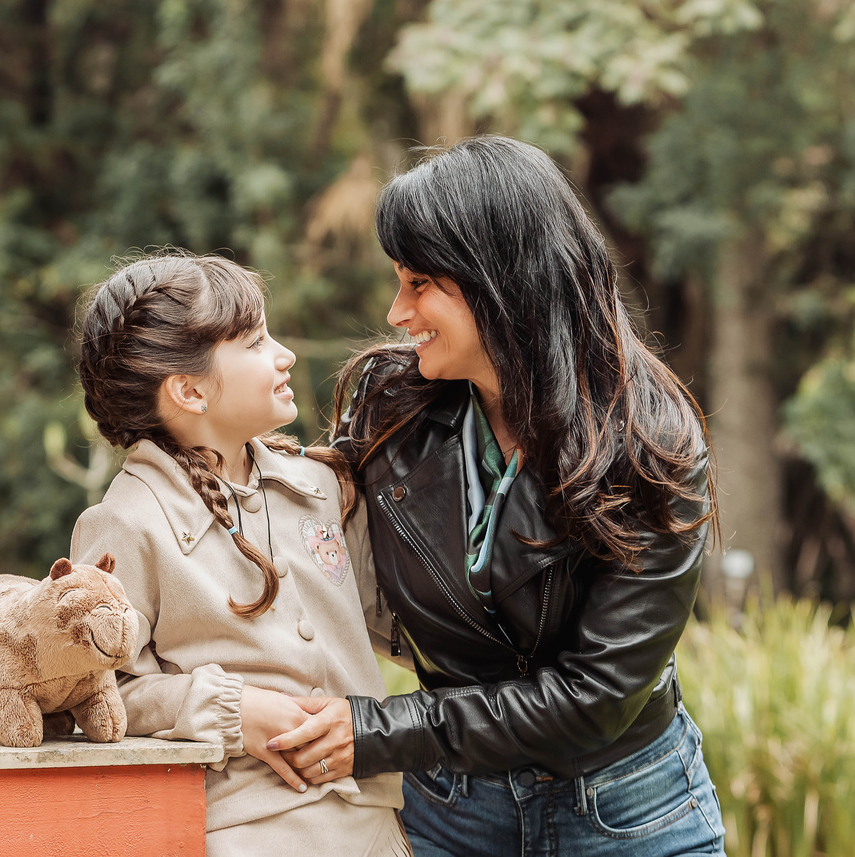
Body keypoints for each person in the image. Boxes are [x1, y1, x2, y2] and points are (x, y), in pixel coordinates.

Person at [266, 136, 728, 856]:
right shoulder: (392, 405)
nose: (396, 311)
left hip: (624, 811)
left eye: (419, 283)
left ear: (503, 281)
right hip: (449, 806)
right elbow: (285, 521)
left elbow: (597, 695)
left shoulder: (650, 442)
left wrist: (376, 731)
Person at [69, 251, 410, 856]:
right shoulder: (124, 523)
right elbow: (95, 692)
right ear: (190, 391)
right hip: (245, 833)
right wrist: (231, 710)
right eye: (255, 342)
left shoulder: (322, 486)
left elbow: (394, 624)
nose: (285, 355)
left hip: (376, 828)